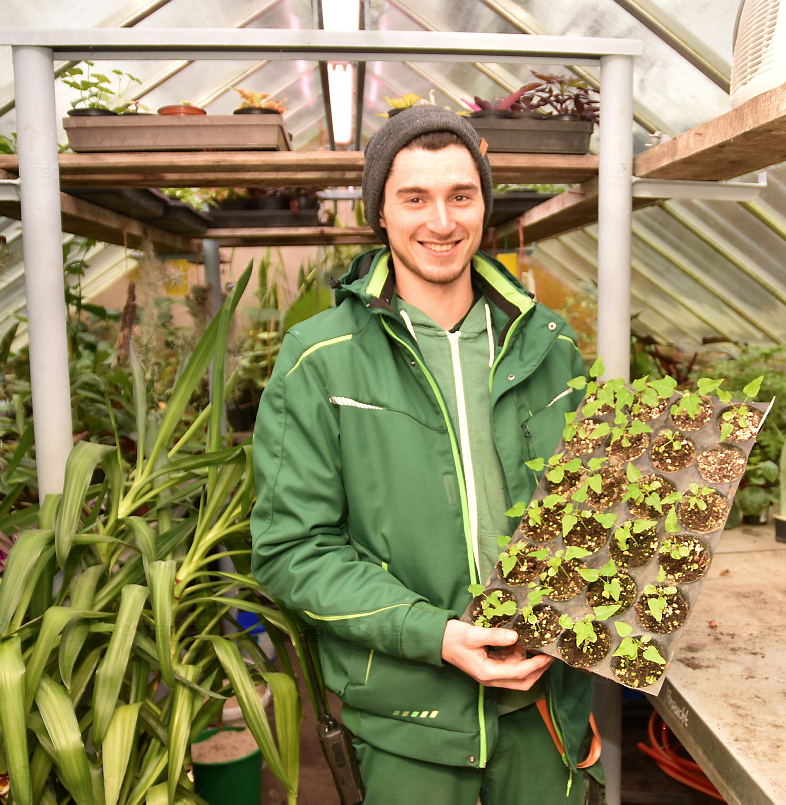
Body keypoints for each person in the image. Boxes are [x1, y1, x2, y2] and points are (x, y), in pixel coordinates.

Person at [251, 105, 595, 803]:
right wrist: (437, 634)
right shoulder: (319, 357)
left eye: (460, 195)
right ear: (381, 210)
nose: (441, 221)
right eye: (415, 197)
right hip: (409, 722)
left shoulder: (550, 345)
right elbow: (292, 549)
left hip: (544, 710)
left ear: (483, 204)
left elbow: (590, 516)